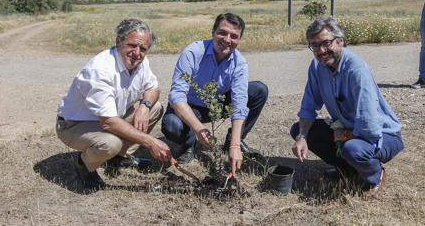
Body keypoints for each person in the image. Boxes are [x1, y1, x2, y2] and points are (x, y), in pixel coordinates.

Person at [290, 17, 404, 198]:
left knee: (353, 150)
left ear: (340, 41)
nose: (321, 51)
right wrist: (302, 136)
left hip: (383, 134)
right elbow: (308, 106)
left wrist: (345, 135)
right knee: (299, 129)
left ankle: (375, 176)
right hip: (349, 128)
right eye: (314, 46)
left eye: (326, 43)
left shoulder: (356, 69)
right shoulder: (317, 66)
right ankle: (347, 169)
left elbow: (369, 123)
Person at [56, 19, 175, 190]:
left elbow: (153, 88)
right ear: (118, 42)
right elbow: (108, 122)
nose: (137, 53)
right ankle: (84, 165)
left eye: (143, 48)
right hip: (74, 124)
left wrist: (145, 106)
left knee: (155, 109)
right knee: (111, 143)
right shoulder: (101, 69)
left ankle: (119, 158)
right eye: (132, 45)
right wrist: (150, 142)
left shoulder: (141, 62)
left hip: (109, 117)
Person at [161, 13, 268, 174]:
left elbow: (239, 104)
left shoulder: (240, 63)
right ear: (213, 32)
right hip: (190, 107)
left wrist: (235, 145)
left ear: (239, 39)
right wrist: (199, 129)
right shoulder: (193, 52)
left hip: (217, 104)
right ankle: (188, 144)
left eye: (234, 36)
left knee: (259, 90)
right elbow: (177, 96)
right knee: (171, 125)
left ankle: (232, 140)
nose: (227, 39)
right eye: (222, 32)